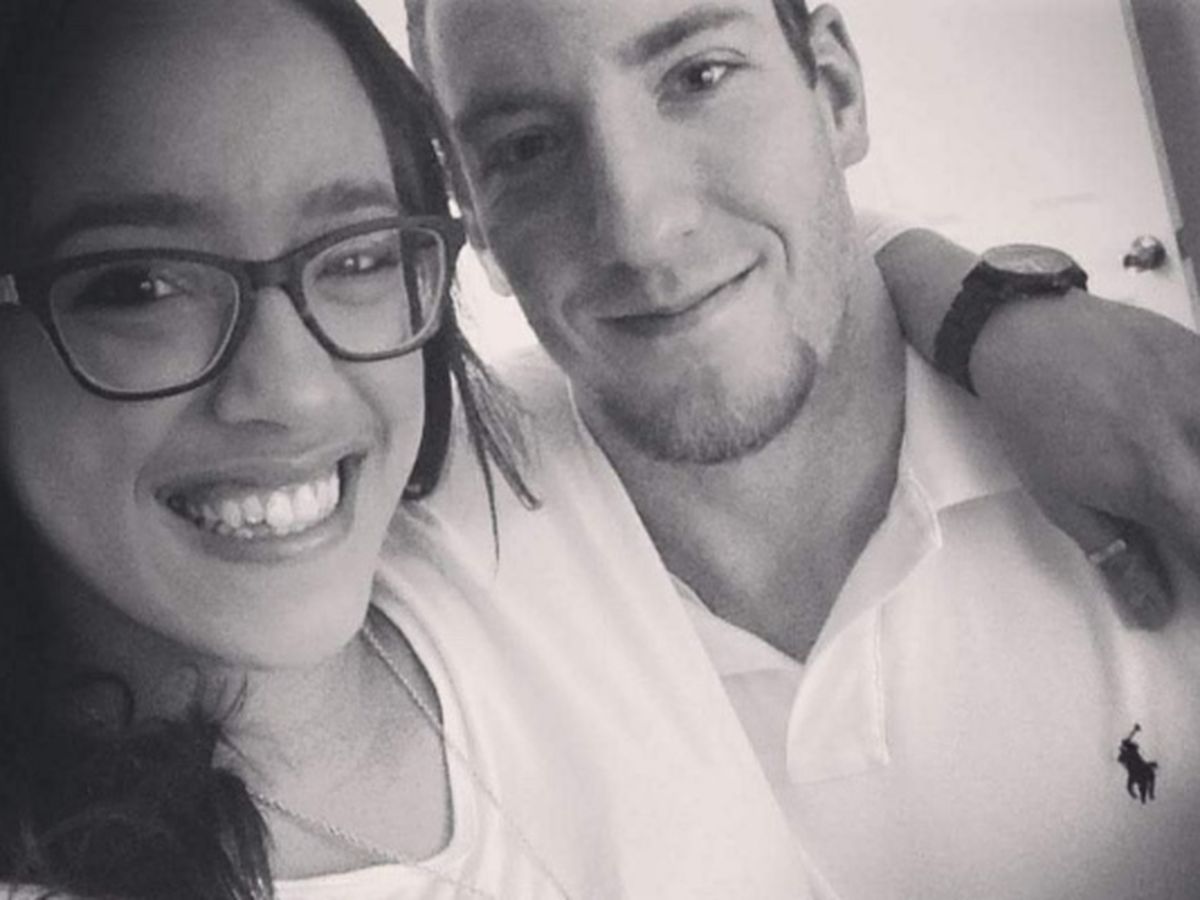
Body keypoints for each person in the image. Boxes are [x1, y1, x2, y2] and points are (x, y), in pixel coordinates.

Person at [0, 1, 830, 898]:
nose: (294, 391)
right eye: (139, 286)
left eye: (357, 258)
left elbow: (797, 279)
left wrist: (950, 295)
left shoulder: (528, 491)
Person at [402, 0, 1200, 896]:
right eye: (526, 147)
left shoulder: (1155, 448)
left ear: (838, 91)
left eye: (699, 77)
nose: (641, 231)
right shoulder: (418, 558)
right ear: (477, 221)